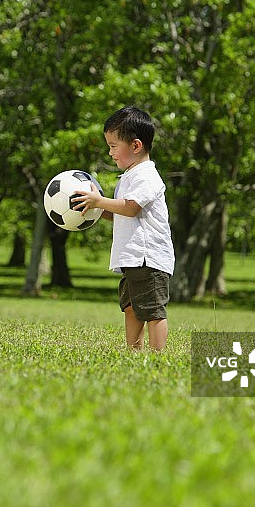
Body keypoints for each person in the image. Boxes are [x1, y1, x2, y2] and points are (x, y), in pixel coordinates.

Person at [71, 106, 174, 351]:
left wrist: (99, 201)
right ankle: (133, 350)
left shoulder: (146, 175)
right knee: (131, 307)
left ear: (136, 146)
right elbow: (122, 214)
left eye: (113, 146)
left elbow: (131, 208)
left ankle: (158, 355)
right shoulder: (129, 176)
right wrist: (97, 210)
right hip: (133, 259)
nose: (110, 153)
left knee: (152, 310)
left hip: (148, 258)